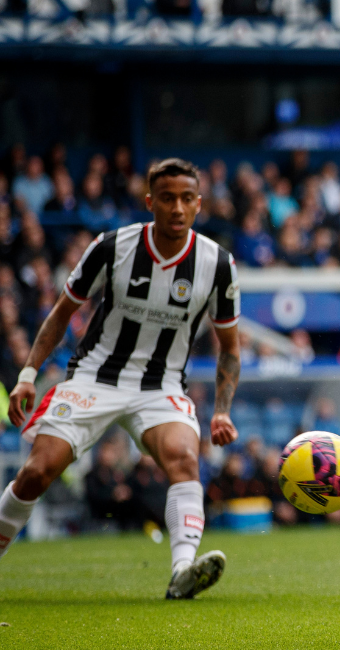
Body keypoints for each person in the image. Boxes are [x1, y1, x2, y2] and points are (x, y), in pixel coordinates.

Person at [2, 158, 243, 600]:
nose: (177, 208)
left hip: (161, 385)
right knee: (37, 471)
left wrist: (222, 410)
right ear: (150, 202)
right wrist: (28, 374)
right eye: (167, 198)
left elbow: (230, 347)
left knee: (184, 459)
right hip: (95, 377)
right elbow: (61, 314)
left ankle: (183, 571)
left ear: (198, 204)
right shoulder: (113, 247)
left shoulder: (217, 263)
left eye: (187, 199)